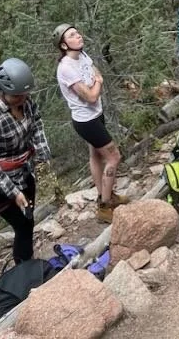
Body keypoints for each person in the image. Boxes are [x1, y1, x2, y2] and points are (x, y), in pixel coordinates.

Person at [0, 58, 51, 264]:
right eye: (17, 95)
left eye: (25, 93)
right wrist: (13, 193)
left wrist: (42, 155)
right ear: (2, 90)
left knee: (28, 219)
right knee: (22, 224)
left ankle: (27, 263)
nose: (23, 98)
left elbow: (37, 125)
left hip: (24, 171)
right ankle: (24, 269)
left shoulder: (27, 102)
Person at [53, 23, 127, 224]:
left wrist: (96, 80)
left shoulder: (82, 55)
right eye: (72, 35)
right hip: (86, 121)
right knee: (114, 157)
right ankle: (105, 206)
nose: (78, 36)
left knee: (95, 155)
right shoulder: (66, 68)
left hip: (96, 115)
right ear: (64, 45)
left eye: (77, 33)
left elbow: (94, 70)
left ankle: (106, 195)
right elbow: (92, 96)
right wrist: (99, 82)